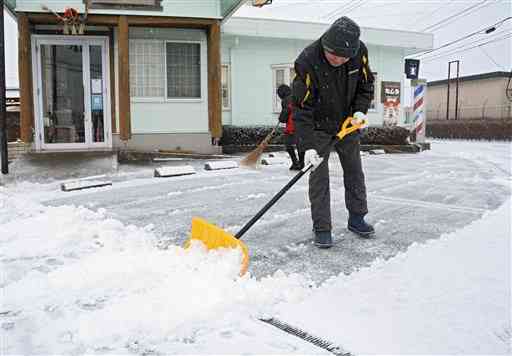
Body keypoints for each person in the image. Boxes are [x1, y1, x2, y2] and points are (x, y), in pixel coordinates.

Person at [291, 16, 375, 248]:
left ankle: (357, 218)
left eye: (344, 56)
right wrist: (307, 146)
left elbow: (366, 85)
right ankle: (322, 228)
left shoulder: (359, 53)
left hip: (348, 122)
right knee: (319, 177)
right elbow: (301, 107)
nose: (338, 60)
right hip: (318, 126)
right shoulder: (307, 61)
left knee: (354, 170)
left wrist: (360, 111)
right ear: (325, 45)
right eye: (334, 54)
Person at [277, 84, 304, 170]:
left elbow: (284, 116)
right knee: (300, 145)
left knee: (288, 144)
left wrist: (281, 118)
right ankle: (301, 163)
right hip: (301, 124)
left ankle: (295, 163)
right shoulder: (296, 96)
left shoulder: (285, 100)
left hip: (292, 125)